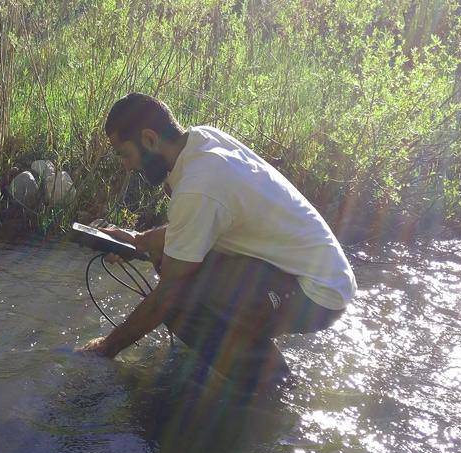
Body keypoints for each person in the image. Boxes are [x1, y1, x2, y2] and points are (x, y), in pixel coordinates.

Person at [77, 93, 357, 386]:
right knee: (169, 262)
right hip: (307, 271)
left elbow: (169, 295)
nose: (125, 165)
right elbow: (190, 230)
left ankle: (272, 387)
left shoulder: (198, 186)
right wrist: (138, 242)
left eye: (124, 153)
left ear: (148, 139)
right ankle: (244, 346)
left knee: (178, 302)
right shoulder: (202, 140)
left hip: (317, 295)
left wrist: (106, 348)